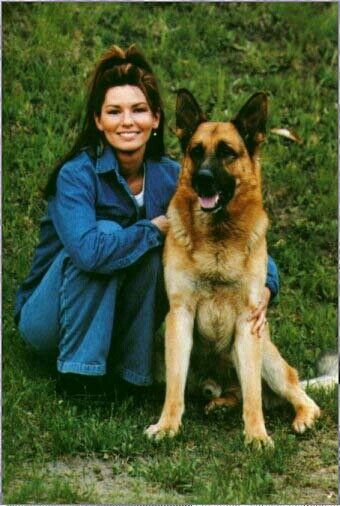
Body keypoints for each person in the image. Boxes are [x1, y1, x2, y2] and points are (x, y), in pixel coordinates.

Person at [14, 44, 279, 400]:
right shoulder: (75, 175)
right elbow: (89, 254)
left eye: (138, 110)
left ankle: (130, 377)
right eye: (114, 111)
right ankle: (79, 377)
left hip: (112, 318)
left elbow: (238, 241)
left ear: (155, 119)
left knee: (157, 259)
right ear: (98, 120)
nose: (127, 121)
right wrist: (153, 229)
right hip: (51, 321)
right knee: (113, 237)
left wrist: (267, 286)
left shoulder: (175, 177)